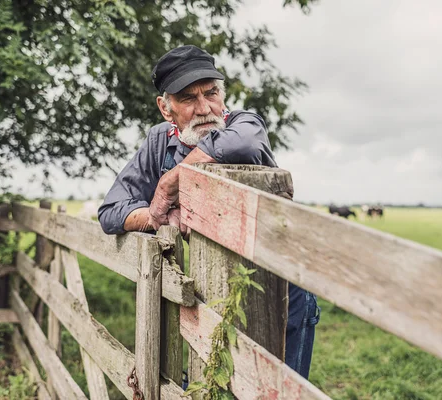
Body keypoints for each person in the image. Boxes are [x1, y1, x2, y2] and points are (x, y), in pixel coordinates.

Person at [98, 45, 319, 379]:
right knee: (210, 384)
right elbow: (111, 210)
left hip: (281, 295)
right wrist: (154, 216)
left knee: (275, 388)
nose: (204, 108)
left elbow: (244, 145)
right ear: (165, 107)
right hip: (213, 292)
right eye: (188, 98)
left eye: (211, 93)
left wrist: (171, 183)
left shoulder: (245, 124)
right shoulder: (160, 141)